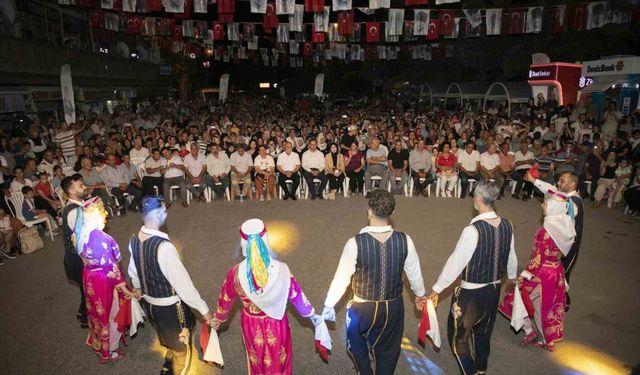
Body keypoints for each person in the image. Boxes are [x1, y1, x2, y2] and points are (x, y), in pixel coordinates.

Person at [322, 189, 427, 375]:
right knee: (389, 349)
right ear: (392, 213)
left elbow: (341, 278)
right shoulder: (405, 240)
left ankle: (364, 371)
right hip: (393, 307)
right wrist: (420, 294)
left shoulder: (354, 243)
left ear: (369, 211)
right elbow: (415, 274)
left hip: (362, 308)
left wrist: (329, 304)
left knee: (355, 344)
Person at [211, 219, 323, 375]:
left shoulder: (235, 273)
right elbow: (297, 296)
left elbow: (225, 300)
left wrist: (218, 319)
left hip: (251, 324)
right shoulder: (282, 270)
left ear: (243, 243)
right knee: (280, 358)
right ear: (266, 239)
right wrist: (312, 315)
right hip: (277, 322)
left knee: (256, 358)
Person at [427, 181, 517, 375]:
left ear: (478, 200)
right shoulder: (507, 225)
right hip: (493, 290)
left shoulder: (472, 230)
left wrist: (437, 288)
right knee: (484, 332)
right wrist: (512, 276)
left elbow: (456, 262)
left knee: (458, 336)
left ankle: (470, 371)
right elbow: (511, 254)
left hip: (471, 294)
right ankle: (481, 368)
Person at [128, 196, 213, 375]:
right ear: (158, 214)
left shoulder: (134, 239)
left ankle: (172, 347)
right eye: (164, 210)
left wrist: (137, 287)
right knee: (182, 345)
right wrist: (204, 310)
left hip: (150, 304)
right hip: (171, 308)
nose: (166, 213)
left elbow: (134, 269)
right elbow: (183, 285)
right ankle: (179, 362)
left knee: (164, 330)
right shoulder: (164, 247)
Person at [499, 189, 575, 352]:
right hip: (556, 271)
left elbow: (537, 259)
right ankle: (549, 340)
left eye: (546, 203)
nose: (542, 204)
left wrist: (523, 276)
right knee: (546, 306)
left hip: (541, 274)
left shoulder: (546, 232)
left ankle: (529, 330)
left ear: (554, 208)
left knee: (516, 299)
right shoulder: (567, 226)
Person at [75, 197, 134, 363]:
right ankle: (111, 351)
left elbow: (82, 257)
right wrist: (125, 288)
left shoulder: (81, 233)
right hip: (103, 279)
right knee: (111, 312)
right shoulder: (100, 238)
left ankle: (99, 345)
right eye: (102, 212)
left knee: (95, 311)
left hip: (89, 276)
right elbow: (111, 268)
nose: (105, 215)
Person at [525, 171, 583, 310]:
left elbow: (562, 210)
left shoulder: (572, 203)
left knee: (561, 273)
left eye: (562, 181)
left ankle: (563, 301)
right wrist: (534, 180)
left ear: (572, 184)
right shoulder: (565, 196)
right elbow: (551, 189)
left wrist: (550, 206)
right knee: (551, 271)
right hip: (558, 242)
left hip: (567, 245)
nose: (558, 183)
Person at [61, 174, 89, 328]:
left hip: (73, 256)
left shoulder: (75, 206)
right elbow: (80, 240)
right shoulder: (73, 211)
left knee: (84, 288)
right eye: (80, 186)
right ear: (71, 191)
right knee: (88, 289)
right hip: (78, 259)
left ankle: (81, 311)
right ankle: (85, 319)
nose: (84, 187)